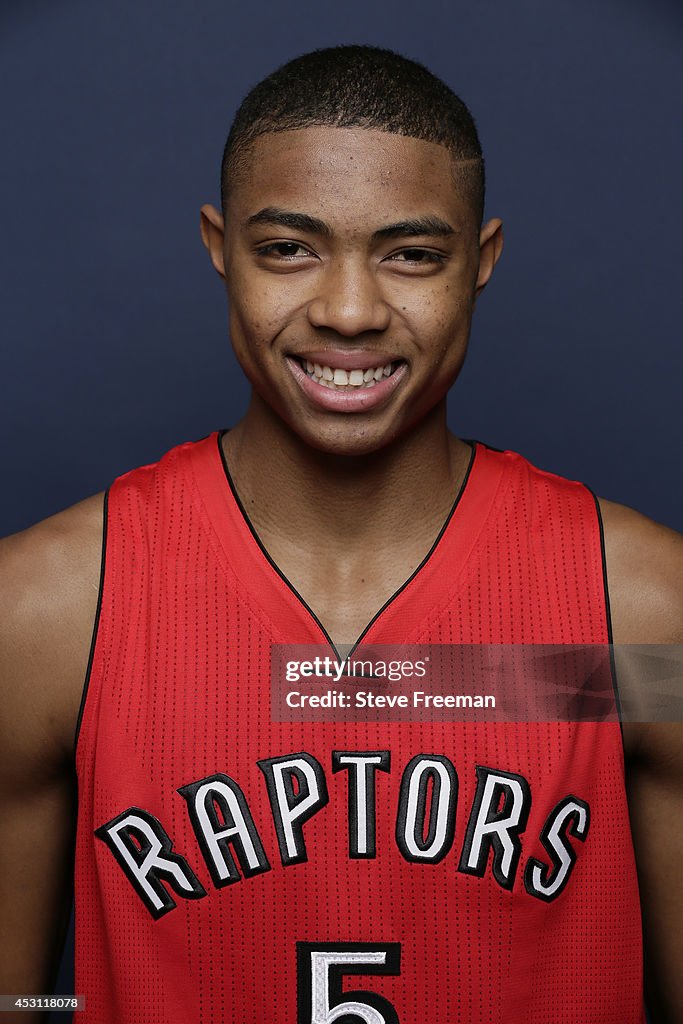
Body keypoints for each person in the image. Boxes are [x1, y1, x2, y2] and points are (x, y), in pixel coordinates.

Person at [0, 44, 681, 1024]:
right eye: (287, 248)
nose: (350, 311)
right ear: (218, 245)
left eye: (411, 254)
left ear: (480, 263)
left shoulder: (638, 621)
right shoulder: (46, 616)